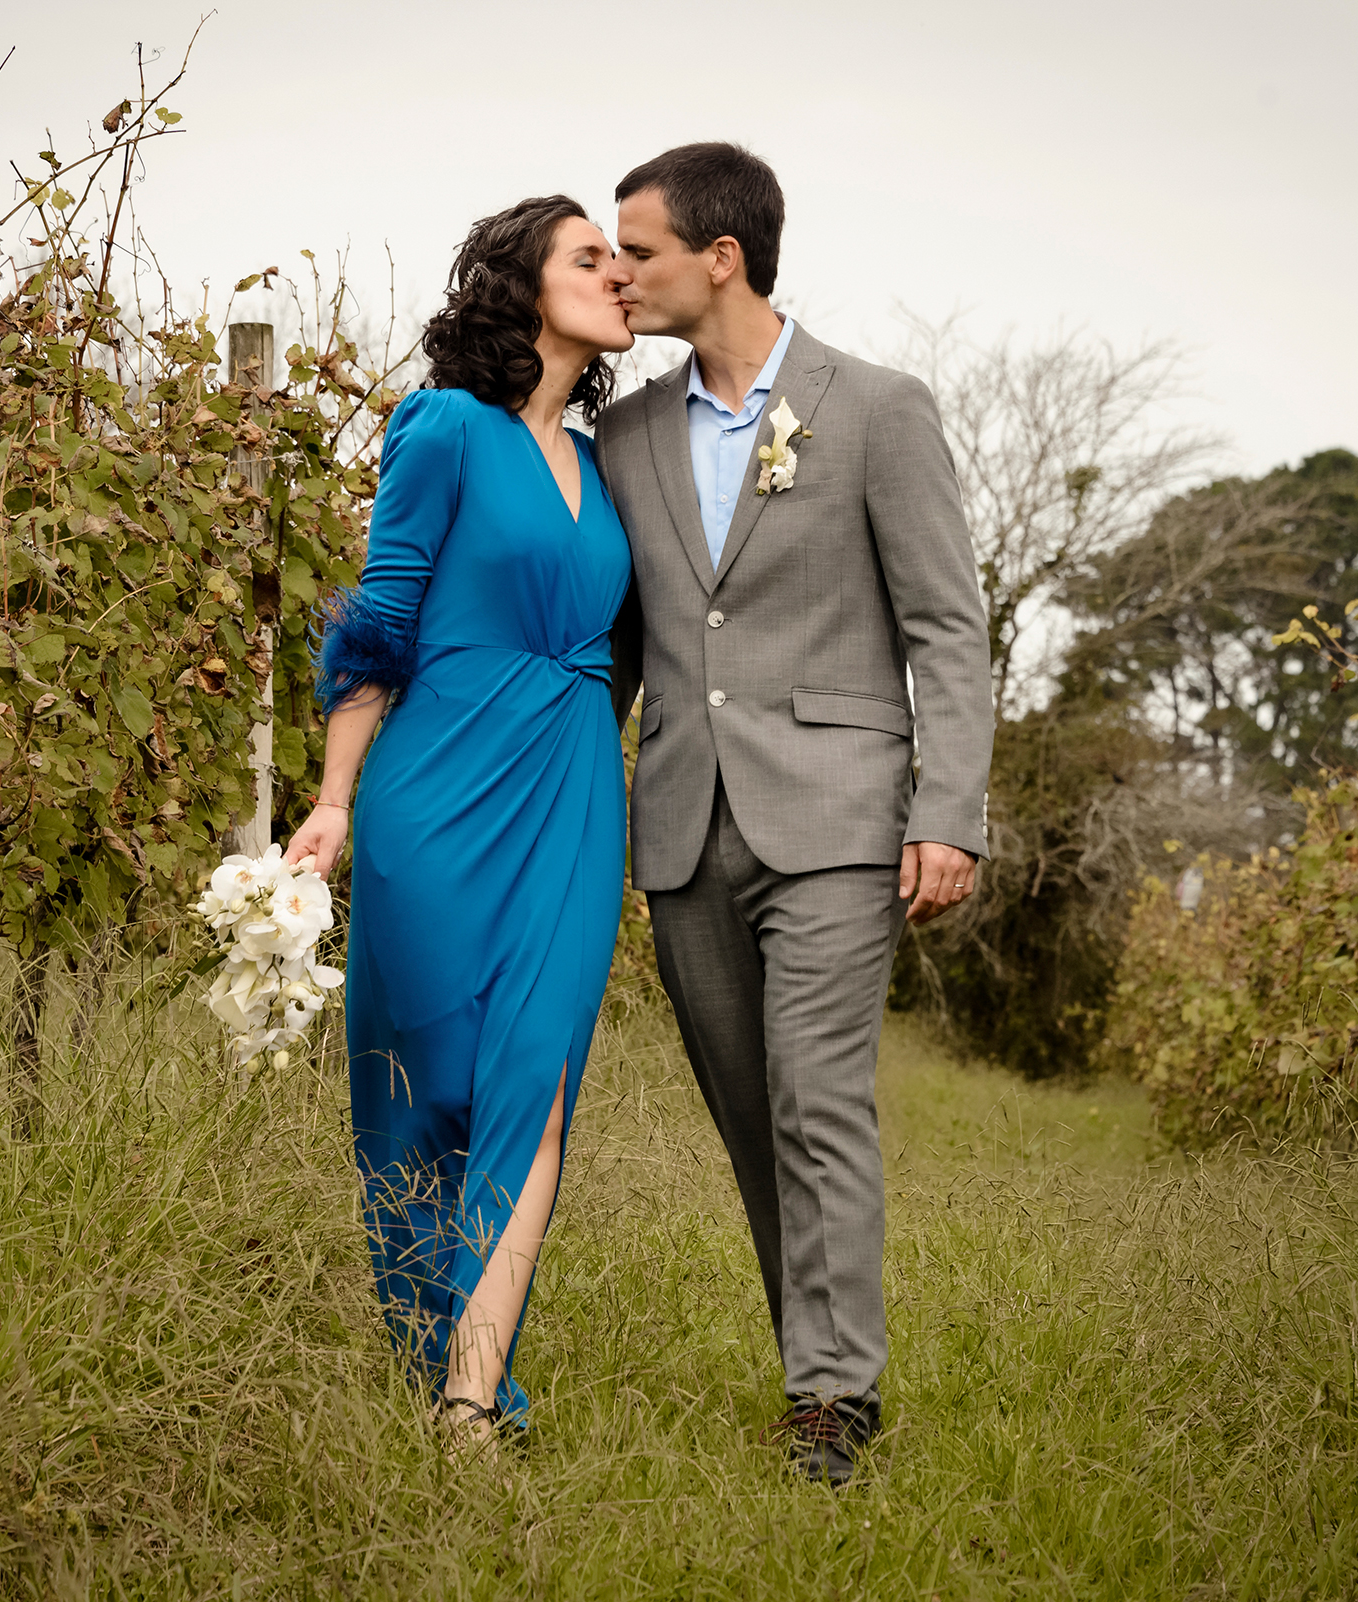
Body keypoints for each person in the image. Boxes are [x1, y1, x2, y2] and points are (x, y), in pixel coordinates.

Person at [598, 143, 995, 1486]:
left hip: (838, 816)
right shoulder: (628, 436)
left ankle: (833, 1398)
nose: (620, 272)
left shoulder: (877, 408)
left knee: (818, 1094)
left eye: (639, 249)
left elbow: (947, 624)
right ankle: (812, 1355)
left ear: (722, 256)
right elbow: (621, 647)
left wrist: (948, 810)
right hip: (681, 825)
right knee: (748, 1110)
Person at [282, 195, 634, 1454]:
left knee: (532, 1087)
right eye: (591, 258)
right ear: (522, 286)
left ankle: (467, 1398)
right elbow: (379, 618)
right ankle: (430, 1331)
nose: (620, 275)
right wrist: (332, 798)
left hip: (577, 796)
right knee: (426, 1087)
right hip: (440, 786)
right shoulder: (441, 429)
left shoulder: (607, 466)